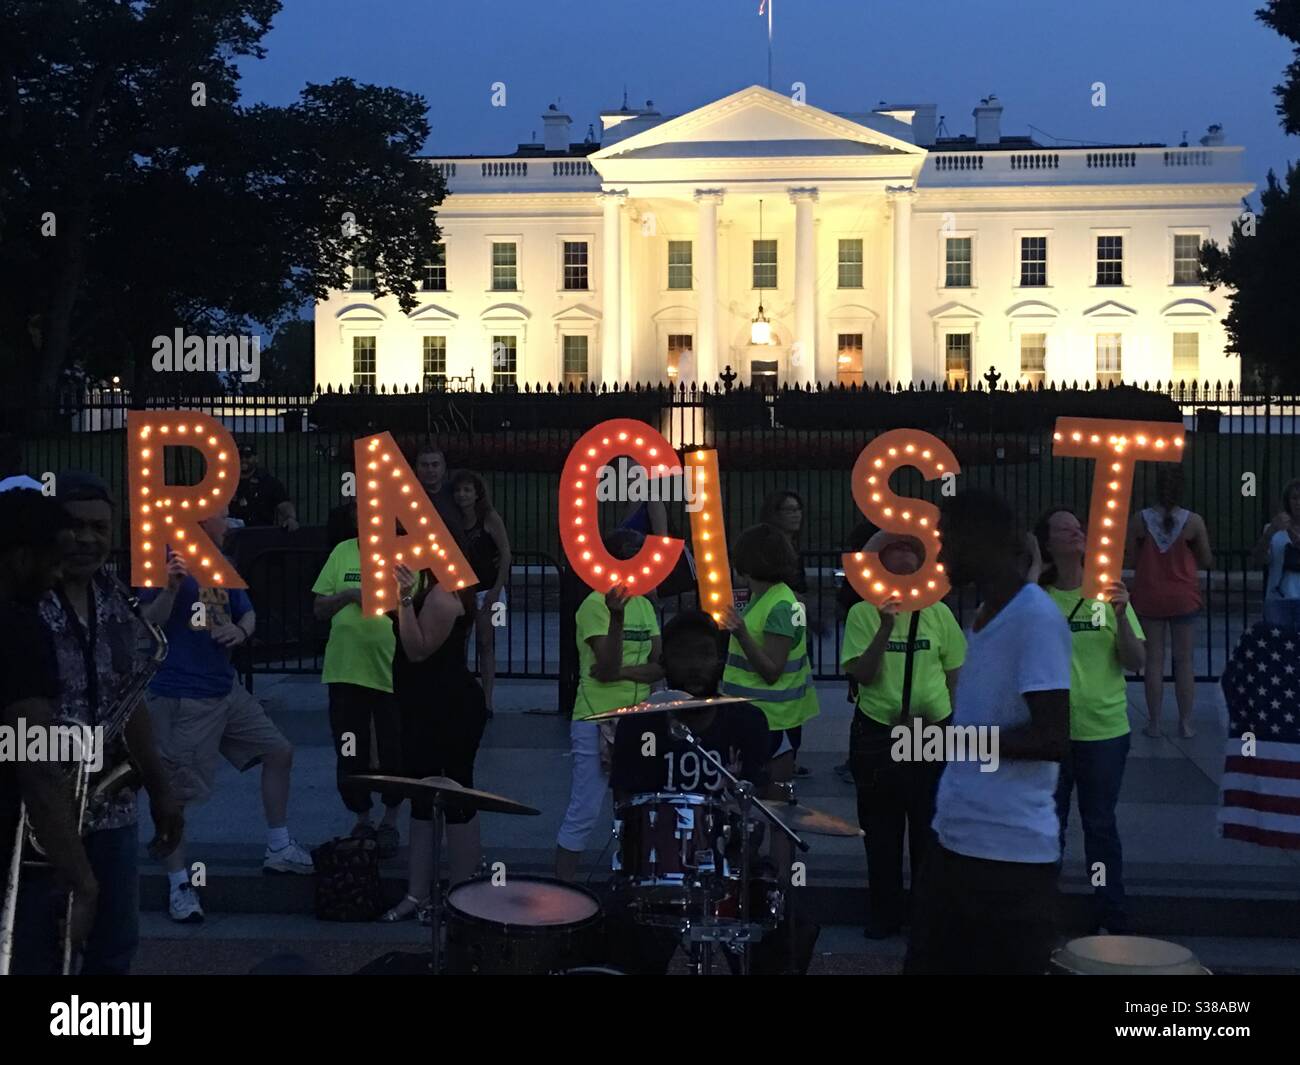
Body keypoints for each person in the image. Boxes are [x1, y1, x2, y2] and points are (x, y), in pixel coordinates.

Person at [905, 490, 1071, 976]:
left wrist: (952, 740)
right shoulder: (983, 617)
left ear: (977, 541)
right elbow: (985, 723)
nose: (939, 554)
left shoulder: (1035, 618)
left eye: (945, 540)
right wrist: (932, 736)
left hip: (1008, 859)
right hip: (957, 841)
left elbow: (1052, 737)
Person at [28, 473, 183, 974]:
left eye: (99, 527)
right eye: (74, 527)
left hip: (110, 807)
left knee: (115, 948)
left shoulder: (113, 595)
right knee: (40, 949)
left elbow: (128, 696)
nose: (87, 539)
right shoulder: (25, 599)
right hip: (40, 813)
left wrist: (160, 787)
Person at [140, 505, 313, 924]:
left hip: (224, 689)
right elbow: (148, 623)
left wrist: (242, 630)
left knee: (278, 752)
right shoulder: (165, 558)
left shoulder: (220, 563)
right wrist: (169, 589)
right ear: (202, 522)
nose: (232, 521)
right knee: (176, 795)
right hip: (184, 697)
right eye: (224, 515)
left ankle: (278, 846)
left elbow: (246, 611)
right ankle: (179, 883)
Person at [607, 609, 770, 974]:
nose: (695, 665)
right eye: (683, 655)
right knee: (617, 929)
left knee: (780, 923)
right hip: (659, 868)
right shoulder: (639, 725)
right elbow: (624, 802)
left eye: (704, 654)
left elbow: (767, 796)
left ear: (720, 660)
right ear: (664, 663)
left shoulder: (747, 721)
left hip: (730, 866)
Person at [840, 531, 966, 939]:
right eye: (896, 554)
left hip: (929, 731)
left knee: (929, 831)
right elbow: (862, 673)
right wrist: (884, 628)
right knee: (881, 831)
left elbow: (954, 673)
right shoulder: (862, 612)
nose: (906, 561)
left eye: (913, 554)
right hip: (879, 730)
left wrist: (952, 723)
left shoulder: (939, 613)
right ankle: (885, 913)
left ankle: (927, 917)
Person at [0, 490, 98, 973]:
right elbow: (33, 760)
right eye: (53, 562)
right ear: (21, 559)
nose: (61, 575)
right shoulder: (20, 628)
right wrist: (81, 878)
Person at [1036, 505, 1146, 934]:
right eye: (1064, 529)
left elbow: (1136, 660)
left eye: (1079, 527)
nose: (1076, 533)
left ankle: (1110, 913)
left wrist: (1120, 618)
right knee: (1050, 825)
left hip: (1103, 731)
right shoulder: (1040, 600)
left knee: (1100, 825)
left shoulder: (1108, 594)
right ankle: (1043, 911)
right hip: (1051, 734)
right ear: (1047, 543)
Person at [380, 562, 487, 922]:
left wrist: (405, 601)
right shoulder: (433, 586)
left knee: (457, 796)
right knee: (422, 798)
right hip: (421, 706)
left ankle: (461, 895)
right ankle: (417, 893)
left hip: (449, 708)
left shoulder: (444, 594)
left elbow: (417, 649)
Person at [555, 529, 663, 882]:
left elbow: (659, 666)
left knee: (635, 806)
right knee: (585, 808)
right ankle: (562, 889)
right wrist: (616, 620)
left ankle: (631, 882)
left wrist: (622, 671)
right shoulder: (593, 605)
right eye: (631, 554)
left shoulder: (645, 604)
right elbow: (604, 667)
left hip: (639, 719)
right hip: (595, 718)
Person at [720, 523, 819, 881]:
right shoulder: (773, 599)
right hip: (759, 718)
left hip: (772, 721)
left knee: (775, 807)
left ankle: (777, 882)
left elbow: (771, 669)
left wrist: (741, 633)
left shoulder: (779, 605)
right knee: (760, 804)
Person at [312, 529, 403, 857]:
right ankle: (362, 815)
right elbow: (319, 608)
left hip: (390, 669)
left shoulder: (402, 552)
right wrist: (349, 596)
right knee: (350, 745)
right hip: (345, 669)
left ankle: (391, 818)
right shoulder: (342, 551)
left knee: (393, 744)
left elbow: (414, 601)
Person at [1126, 466, 1214, 738]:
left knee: (1153, 661)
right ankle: (1185, 723)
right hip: (1183, 595)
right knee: (1184, 661)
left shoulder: (1140, 520)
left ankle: (1153, 723)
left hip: (1150, 594)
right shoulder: (1193, 521)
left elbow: (1130, 559)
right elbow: (1207, 560)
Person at [451, 470, 512, 717]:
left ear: (477, 493)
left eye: (467, 490)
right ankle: (462, 696)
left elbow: (506, 553)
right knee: (459, 644)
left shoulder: (489, 517)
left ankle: (487, 701)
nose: (462, 495)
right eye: (459, 490)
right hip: (462, 591)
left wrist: (497, 589)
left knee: (486, 644)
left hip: (489, 590)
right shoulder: (453, 519)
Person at [1253, 478, 1300, 629]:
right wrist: (1270, 533)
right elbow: (1259, 559)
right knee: (1278, 646)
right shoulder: (1273, 529)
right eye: (1294, 498)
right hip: (1278, 599)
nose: (1298, 503)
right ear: (1288, 501)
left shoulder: (1287, 530)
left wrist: (1292, 534)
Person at [231, 445, 298, 530]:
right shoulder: (227, 482)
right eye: (240, 456)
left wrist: (290, 518)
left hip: (262, 532)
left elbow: (284, 503)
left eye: (248, 456)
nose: (243, 460)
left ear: (256, 458)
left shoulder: (268, 482)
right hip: (233, 534)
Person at [415, 444, 466, 549]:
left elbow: (483, 511)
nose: (430, 470)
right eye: (424, 465)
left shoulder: (456, 492)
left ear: (443, 467)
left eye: (435, 464)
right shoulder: (408, 497)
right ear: (416, 468)